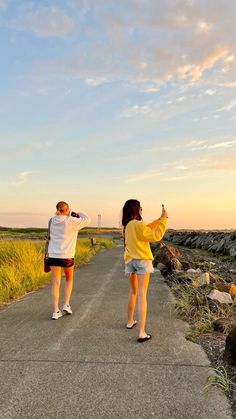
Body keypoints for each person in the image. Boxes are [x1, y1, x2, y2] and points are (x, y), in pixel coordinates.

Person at [122, 199, 168, 342]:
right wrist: (164, 221)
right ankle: (141, 332)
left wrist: (159, 219)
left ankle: (130, 321)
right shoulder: (137, 224)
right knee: (142, 294)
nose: (142, 210)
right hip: (142, 261)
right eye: (140, 208)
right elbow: (155, 235)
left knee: (133, 292)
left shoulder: (127, 225)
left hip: (130, 261)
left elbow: (146, 228)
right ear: (136, 209)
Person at [47, 201, 91, 320]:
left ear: (57, 209)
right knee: (68, 280)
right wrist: (73, 212)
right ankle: (66, 304)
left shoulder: (51, 221)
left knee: (55, 283)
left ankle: (55, 311)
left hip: (53, 255)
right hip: (67, 256)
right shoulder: (71, 221)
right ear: (67, 210)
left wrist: (66, 213)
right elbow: (87, 219)